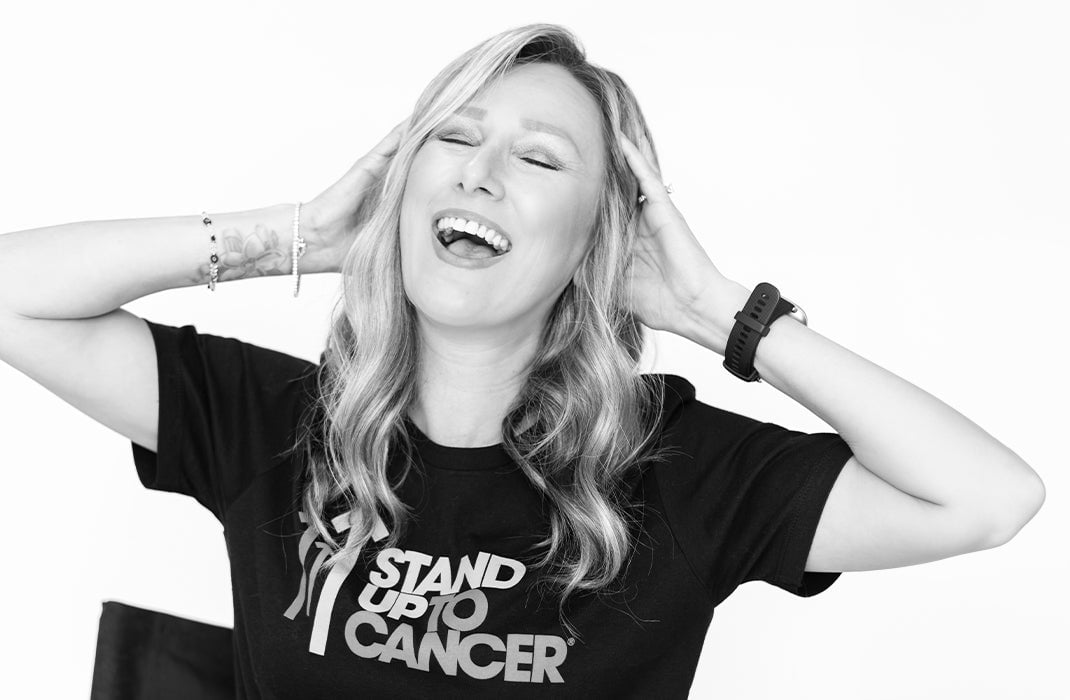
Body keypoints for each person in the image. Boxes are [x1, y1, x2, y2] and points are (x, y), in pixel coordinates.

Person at [0, 22, 1046, 699]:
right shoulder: (275, 424)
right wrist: (295, 239)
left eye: (539, 157)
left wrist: (719, 314)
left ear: (595, 241)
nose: (482, 173)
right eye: (454, 139)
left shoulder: (677, 471)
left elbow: (987, 498)